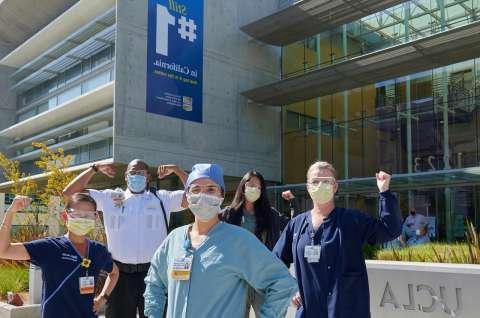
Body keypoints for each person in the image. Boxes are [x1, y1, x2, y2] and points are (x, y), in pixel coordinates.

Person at [144, 163, 297, 318]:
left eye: (211, 189)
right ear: (187, 196)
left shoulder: (239, 241)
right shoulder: (174, 240)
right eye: (195, 189)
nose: (202, 195)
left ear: (221, 195)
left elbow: (282, 283)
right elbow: (154, 282)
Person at [273, 161, 402, 318]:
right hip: (309, 311)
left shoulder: (352, 220)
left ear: (335, 187)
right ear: (308, 187)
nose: (320, 185)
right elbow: (275, 263)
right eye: (315, 182)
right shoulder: (296, 225)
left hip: (345, 311)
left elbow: (389, 230)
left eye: (326, 181)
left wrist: (384, 192)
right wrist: (291, 288)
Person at [63, 160, 187, 318]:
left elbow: (193, 196)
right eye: (132, 173)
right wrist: (94, 168)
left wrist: (178, 170)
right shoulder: (110, 198)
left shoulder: (162, 199)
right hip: (119, 276)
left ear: (148, 177)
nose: (136, 176)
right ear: (126, 177)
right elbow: (69, 193)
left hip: (153, 275)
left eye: (141, 173)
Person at [0, 193, 119, 318]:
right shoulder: (50, 247)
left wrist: (102, 298)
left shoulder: (98, 250)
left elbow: (114, 273)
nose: (83, 219)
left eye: (88, 216)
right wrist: (10, 212)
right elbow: (4, 250)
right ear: (65, 216)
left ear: (95, 217)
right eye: (77, 214)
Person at [222, 170, 287, 317]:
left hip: (262, 279)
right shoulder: (228, 214)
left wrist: (290, 202)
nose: (254, 189)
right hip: (236, 280)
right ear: (242, 187)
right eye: (250, 185)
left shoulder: (270, 214)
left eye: (258, 187)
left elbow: (291, 225)